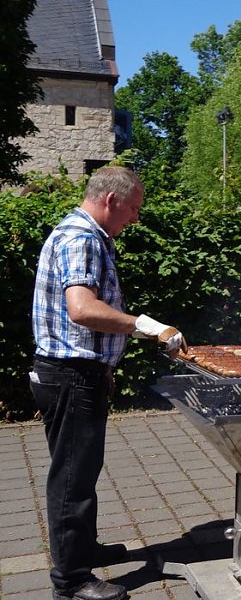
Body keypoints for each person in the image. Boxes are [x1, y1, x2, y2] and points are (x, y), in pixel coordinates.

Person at [30, 167, 186, 600]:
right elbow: (81, 309)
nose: (135, 218)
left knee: (80, 473)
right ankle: (71, 582)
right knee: (71, 480)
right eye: (133, 208)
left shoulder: (86, 234)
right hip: (71, 377)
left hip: (76, 375)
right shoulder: (82, 238)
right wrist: (148, 326)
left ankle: (82, 550)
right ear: (112, 200)